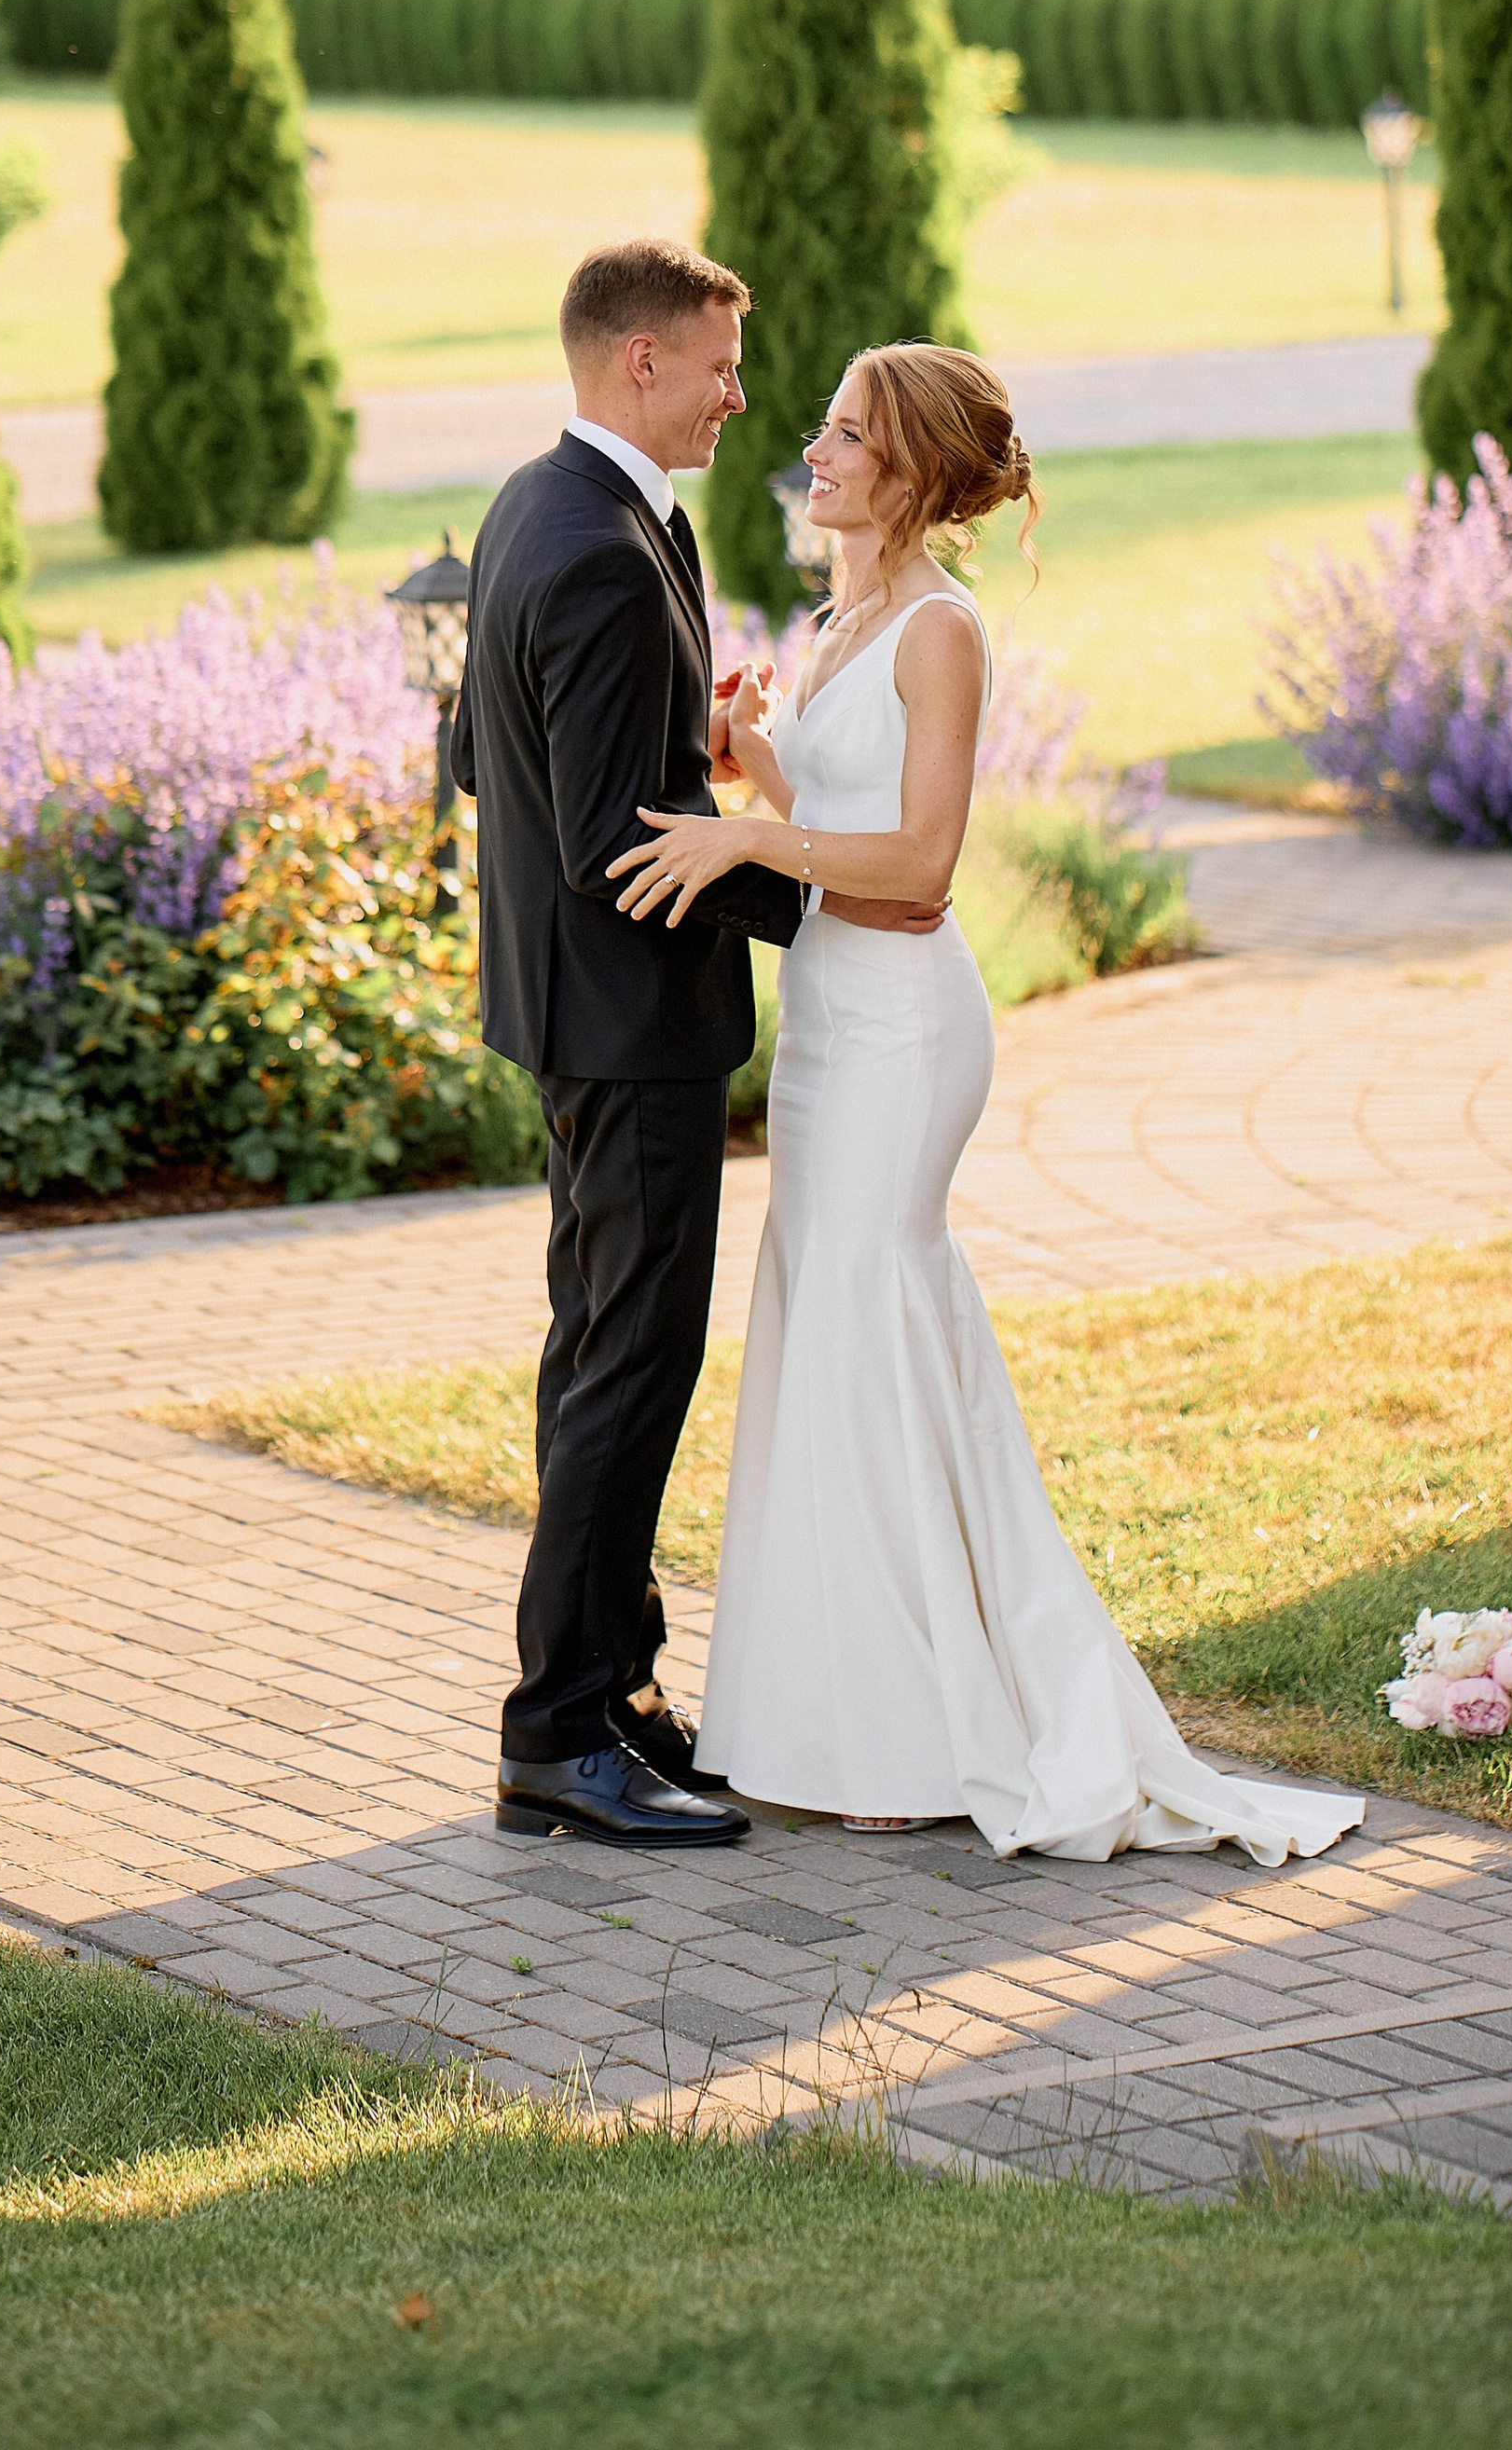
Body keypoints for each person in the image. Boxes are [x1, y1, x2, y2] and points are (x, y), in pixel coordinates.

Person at [610, 340, 1364, 1865]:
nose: (809, 452)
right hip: (830, 1021)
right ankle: (825, 1711)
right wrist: (752, 758)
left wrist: (747, 846)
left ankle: (922, 1722)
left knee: (876, 1315)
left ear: (911, 473)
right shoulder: (843, 621)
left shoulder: (938, 633)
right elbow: (838, 819)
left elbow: (921, 869)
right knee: (825, 1325)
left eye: (840, 435)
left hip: (902, 1028)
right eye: (817, 427)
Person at [450, 241, 943, 1851]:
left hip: (570, 1016)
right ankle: (555, 1735)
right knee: (628, 1367)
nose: (746, 398)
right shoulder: (594, 545)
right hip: (630, 1025)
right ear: (640, 362)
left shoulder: (542, 504)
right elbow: (609, 835)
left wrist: (711, 764)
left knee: (595, 1350)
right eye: (724, 367)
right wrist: (796, 890)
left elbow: (475, 754)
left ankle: (617, 1690)